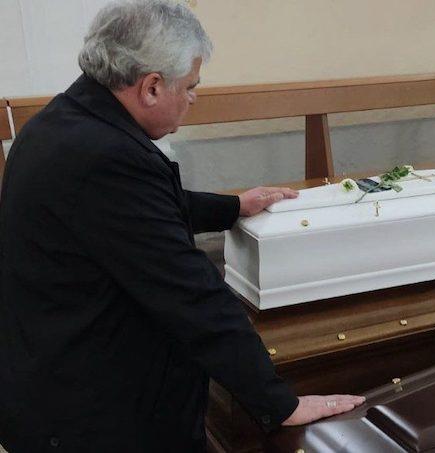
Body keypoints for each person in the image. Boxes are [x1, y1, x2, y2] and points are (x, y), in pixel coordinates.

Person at [0, 1, 364, 451]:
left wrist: (234, 206)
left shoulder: (66, 121)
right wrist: (277, 402)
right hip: (93, 416)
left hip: (50, 378)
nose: (193, 98)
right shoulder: (106, 157)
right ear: (152, 87)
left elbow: (138, 214)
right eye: (190, 86)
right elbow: (192, 294)